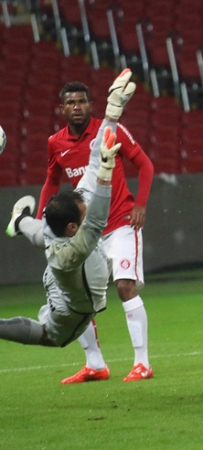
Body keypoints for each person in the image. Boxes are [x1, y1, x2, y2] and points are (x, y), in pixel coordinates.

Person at [35, 70, 154, 383]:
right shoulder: (55, 143)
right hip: (87, 235)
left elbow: (145, 164)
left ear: (90, 106)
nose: (77, 106)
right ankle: (96, 364)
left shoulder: (108, 130)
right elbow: (51, 181)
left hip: (122, 222)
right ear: (62, 109)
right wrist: (40, 220)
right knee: (77, 296)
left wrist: (140, 202)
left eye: (82, 101)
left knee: (125, 286)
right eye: (71, 102)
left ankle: (142, 363)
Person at [2, 107, 123, 352]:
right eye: (83, 216)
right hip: (70, 305)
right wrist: (106, 174)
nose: (86, 211)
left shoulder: (60, 216)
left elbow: (92, 161)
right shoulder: (72, 252)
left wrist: (113, 109)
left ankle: (20, 221)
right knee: (50, 336)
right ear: (72, 227)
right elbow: (97, 219)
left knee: (41, 231)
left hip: (59, 265)